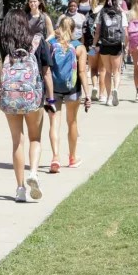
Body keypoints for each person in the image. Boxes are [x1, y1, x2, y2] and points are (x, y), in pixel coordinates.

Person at [0, 9, 54, 203]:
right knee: (35, 138)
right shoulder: (38, 41)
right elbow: (46, 72)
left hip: (10, 96)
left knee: (17, 141)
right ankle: (34, 173)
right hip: (33, 98)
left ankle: (20, 188)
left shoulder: (4, 43)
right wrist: (51, 100)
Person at [46, 16, 90, 172]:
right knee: (72, 122)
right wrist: (87, 94)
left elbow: (45, 68)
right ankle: (72, 158)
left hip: (52, 90)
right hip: (73, 90)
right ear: (73, 29)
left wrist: (51, 36)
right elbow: (82, 72)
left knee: (54, 123)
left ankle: (55, 157)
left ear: (58, 27)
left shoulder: (50, 45)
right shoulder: (79, 47)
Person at [94, 0, 127, 106]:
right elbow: (125, 32)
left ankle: (108, 97)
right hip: (117, 44)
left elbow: (97, 31)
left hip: (104, 44)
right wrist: (125, 45)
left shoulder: (101, 13)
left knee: (108, 71)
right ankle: (115, 89)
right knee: (116, 71)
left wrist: (94, 45)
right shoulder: (121, 13)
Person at [84, 0, 106, 101]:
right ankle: (102, 95)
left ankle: (94, 87)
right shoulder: (104, 12)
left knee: (93, 68)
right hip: (102, 44)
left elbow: (84, 30)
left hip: (91, 46)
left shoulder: (88, 14)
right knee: (102, 69)